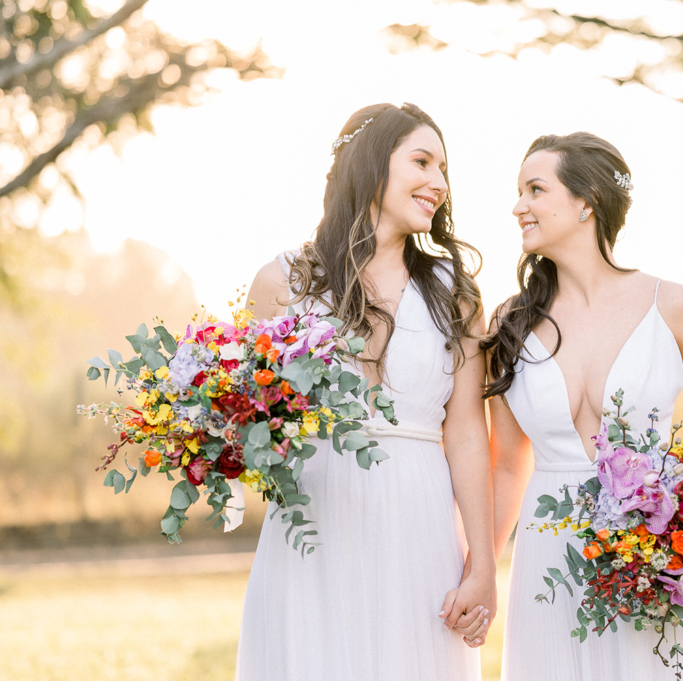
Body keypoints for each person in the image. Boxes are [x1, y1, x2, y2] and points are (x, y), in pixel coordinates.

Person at [483, 132, 683, 680]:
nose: (518, 206)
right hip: (549, 560)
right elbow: (506, 464)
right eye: (519, 191)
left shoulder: (673, 306)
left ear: (586, 202)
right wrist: (479, 572)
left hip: (653, 550)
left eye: (535, 189)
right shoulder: (509, 324)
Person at [235, 103, 496, 681]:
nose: (439, 184)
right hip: (315, 520)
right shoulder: (283, 282)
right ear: (371, 162)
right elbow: (254, 418)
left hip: (421, 522)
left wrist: (482, 562)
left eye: (444, 170)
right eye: (422, 162)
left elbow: (469, 432)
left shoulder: (457, 295)